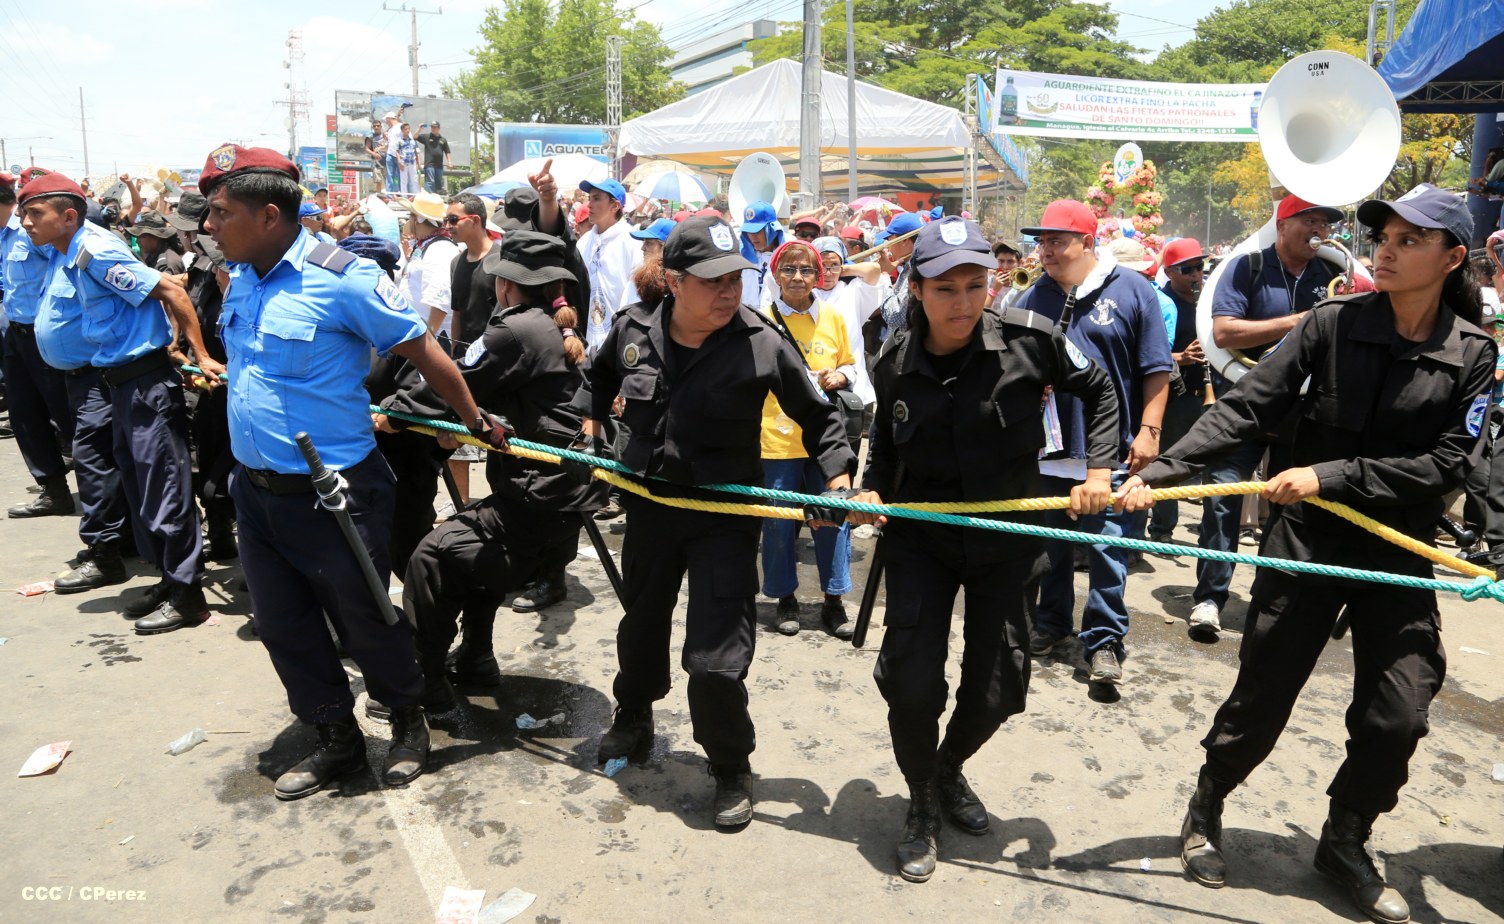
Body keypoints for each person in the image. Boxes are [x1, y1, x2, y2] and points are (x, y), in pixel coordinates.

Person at [1118, 183, 1491, 924]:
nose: (1386, 249)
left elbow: (1451, 464)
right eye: (1384, 236)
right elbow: (1248, 406)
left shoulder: (1472, 353)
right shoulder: (1332, 323)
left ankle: (1345, 839)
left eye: (1410, 240)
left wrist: (1334, 475)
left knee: (1399, 715)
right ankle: (1207, 805)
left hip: (1394, 554)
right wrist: (1157, 473)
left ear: (1452, 259)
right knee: (1264, 693)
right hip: (1308, 542)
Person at [197, 144, 500, 800]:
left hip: (333, 490)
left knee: (365, 616)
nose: (209, 225)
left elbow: (424, 350)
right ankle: (335, 733)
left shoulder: (343, 278)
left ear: (269, 215)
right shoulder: (241, 277)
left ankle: (408, 720)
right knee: (283, 623)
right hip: (257, 491)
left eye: (221, 213)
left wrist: (473, 420)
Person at [848, 216, 1119, 883]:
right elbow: (885, 440)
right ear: (917, 289)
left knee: (1000, 687)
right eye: (945, 288)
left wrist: (1098, 472)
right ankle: (921, 802)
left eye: (976, 285)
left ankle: (947, 770)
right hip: (923, 541)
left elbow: (1100, 388)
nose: (963, 302)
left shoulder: (1033, 339)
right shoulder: (893, 360)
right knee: (912, 685)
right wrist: (871, 488)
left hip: (1006, 541)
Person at [582, 215, 855, 829]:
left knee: (715, 657)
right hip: (650, 507)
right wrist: (587, 438)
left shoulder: (760, 340)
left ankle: (730, 763)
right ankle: (634, 716)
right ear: (676, 281)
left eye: (736, 277)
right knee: (641, 623)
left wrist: (838, 483)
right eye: (714, 280)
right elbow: (595, 384)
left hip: (724, 518)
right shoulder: (632, 329)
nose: (729, 291)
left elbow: (820, 416)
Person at [380, 231, 606, 704]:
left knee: (430, 557)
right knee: (472, 552)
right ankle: (476, 657)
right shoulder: (554, 325)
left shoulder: (514, 329)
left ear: (505, 284)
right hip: (570, 492)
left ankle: (422, 682)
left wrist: (395, 413)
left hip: (541, 494)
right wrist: (472, 422)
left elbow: (455, 380)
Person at [21, 169, 223, 631]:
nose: (27, 222)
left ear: (68, 217)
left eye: (35, 213)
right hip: (119, 383)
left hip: (145, 384)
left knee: (164, 488)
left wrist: (200, 353)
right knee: (140, 489)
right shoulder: (72, 250)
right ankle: (169, 579)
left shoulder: (96, 251)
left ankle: (188, 594)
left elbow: (171, 290)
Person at [1013, 199, 1172, 685]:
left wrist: (1149, 432)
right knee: (1051, 547)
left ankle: (1104, 640)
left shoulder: (1133, 289)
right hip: (1049, 450)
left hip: (1112, 450)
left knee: (1107, 548)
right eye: (1042, 242)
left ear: (1087, 242)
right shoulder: (1030, 296)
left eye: (1057, 241)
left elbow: (1156, 368)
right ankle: (1051, 625)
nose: (1046, 251)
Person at [1189, 194, 1344, 635]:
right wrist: (1300, 322)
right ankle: (1210, 598)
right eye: (1309, 220)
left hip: (1302, 407)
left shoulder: (1333, 275)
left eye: (1324, 223)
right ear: (1282, 225)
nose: (1319, 230)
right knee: (1222, 499)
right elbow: (1224, 331)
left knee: (1288, 508)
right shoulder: (1248, 266)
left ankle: (1269, 597)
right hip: (1247, 400)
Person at [756, 240, 861, 638]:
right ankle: (785, 598)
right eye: (788, 269)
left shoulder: (833, 317)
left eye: (806, 270)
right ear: (775, 275)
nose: (797, 277)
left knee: (832, 520)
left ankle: (834, 601)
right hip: (776, 439)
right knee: (778, 524)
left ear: (818, 277)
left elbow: (851, 363)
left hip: (825, 441)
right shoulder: (761, 320)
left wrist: (841, 375)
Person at [1, 170, 78, 523]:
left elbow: (67, 271)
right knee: (24, 415)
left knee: (66, 414)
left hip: (44, 336)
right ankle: (53, 491)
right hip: (14, 336)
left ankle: (108, 496)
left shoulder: (32, 233)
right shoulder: (4, 236)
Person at [1147, 238, 1211, 544]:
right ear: (1170, 272)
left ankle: (1208, 531)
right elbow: (1149, 352)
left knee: (1210, 464)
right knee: (1170, 462)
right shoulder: (1160, 304)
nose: (1197, 274)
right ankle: (1162, 530)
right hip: (1176, 396)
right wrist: (1181, 357)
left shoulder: (1208, 301)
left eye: (1200, 267)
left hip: (1206, 393)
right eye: (1189, 269)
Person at [866, 212, 926, 355]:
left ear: (904, 241)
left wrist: (885, 277)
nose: (888, 246)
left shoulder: (916, 269)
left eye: (890, 239)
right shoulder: (911, 265)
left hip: (908, 352)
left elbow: (895, 316)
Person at [738, 200, 785, 310]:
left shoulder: (787, 259)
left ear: (772, 230)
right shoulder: (741, 259)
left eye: (757, 231)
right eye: (748, 231)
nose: (752, 236)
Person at [125, 211, 186, 275]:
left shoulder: (166, 264)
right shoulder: (154, 255)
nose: (137, 241)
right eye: (137, 237)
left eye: (142, 237)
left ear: (156, 236)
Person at [417, 121, 452, 194]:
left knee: (438, 182)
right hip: (429, 164)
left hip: (439, 165)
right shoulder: (426, 137)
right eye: (431, 127)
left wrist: (449, 162)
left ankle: (437, 197)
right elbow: (415, 137)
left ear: (438, 128)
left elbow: (447, 151)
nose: (432, 128)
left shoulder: (443, 139)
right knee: (430, 181)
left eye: (434, 127)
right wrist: (419, 129)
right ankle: (429, 196)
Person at [364, 121, 387, 194]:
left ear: (381, 126)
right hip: (376, 162)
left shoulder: (385, 135)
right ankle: (379, 195)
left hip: (386, 160)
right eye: (374, 126)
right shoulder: (370, 137)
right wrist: (374, 154)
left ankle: (389, 195)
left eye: (378, 125)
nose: (376, 127)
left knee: (388, 179)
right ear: (372, 127)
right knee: (378, 180)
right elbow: (366, 149)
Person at [383, 112, 403, 194]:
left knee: (399, 175)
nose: (386, 122)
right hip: (390, 154)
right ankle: (390, 193)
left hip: (400, 155)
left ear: (389, 119)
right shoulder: (390, 130)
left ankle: (399, 192)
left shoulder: (401, 126)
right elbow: (388, 143)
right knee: (390, 175)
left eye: (386, 120)